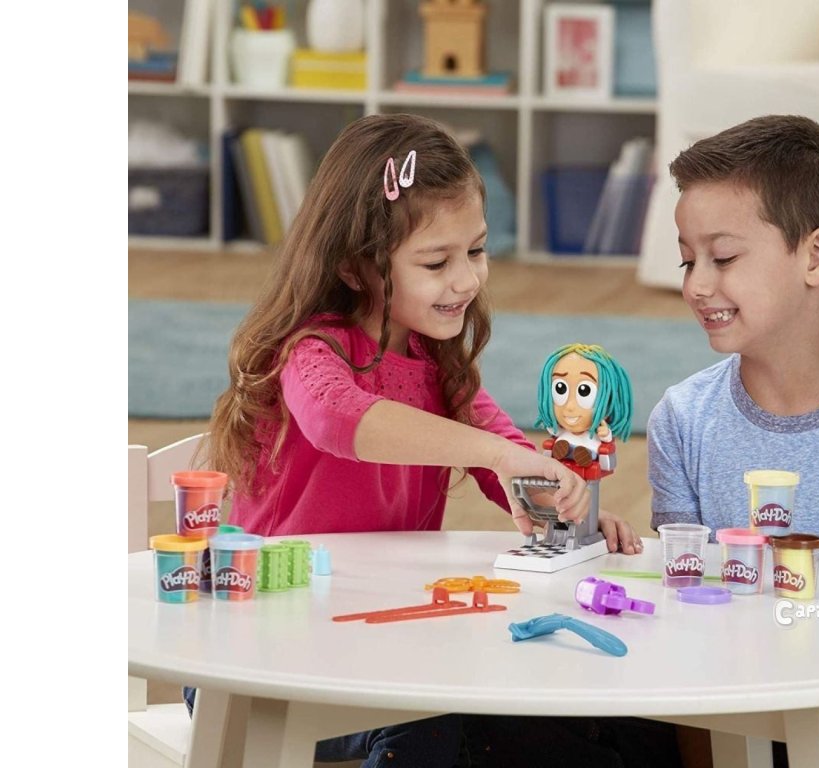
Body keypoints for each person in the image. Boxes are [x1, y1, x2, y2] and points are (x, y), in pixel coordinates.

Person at [188, 113, 643, 767]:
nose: (466, 280)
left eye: (476, 251)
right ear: (355, 267)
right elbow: (340, 420)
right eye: (436, 262)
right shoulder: (311, 351)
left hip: (368, 640)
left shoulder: (437, 362)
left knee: (513, 711)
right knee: (432, 720)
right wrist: (496, 454)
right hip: (250, 659)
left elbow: (509, 458)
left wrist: (572, 510)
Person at [646, 115, 819, 767]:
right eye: (687, 259)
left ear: (817, 256)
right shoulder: (681, 419)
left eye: (724, 258)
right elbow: (687, 628)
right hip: (719, 709)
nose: (696, 284)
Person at [535, 343, 633, 469]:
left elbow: (607, 440)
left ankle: (584, 455)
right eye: (560, 389)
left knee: (586, 452)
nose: (570, 406)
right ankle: (562, 450)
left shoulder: (595, 433)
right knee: (561, 445)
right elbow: (555, 431)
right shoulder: (562, 431)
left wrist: (605, 434)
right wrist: (549, 424)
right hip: (564, 444)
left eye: (585, 391)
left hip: (589, 446)